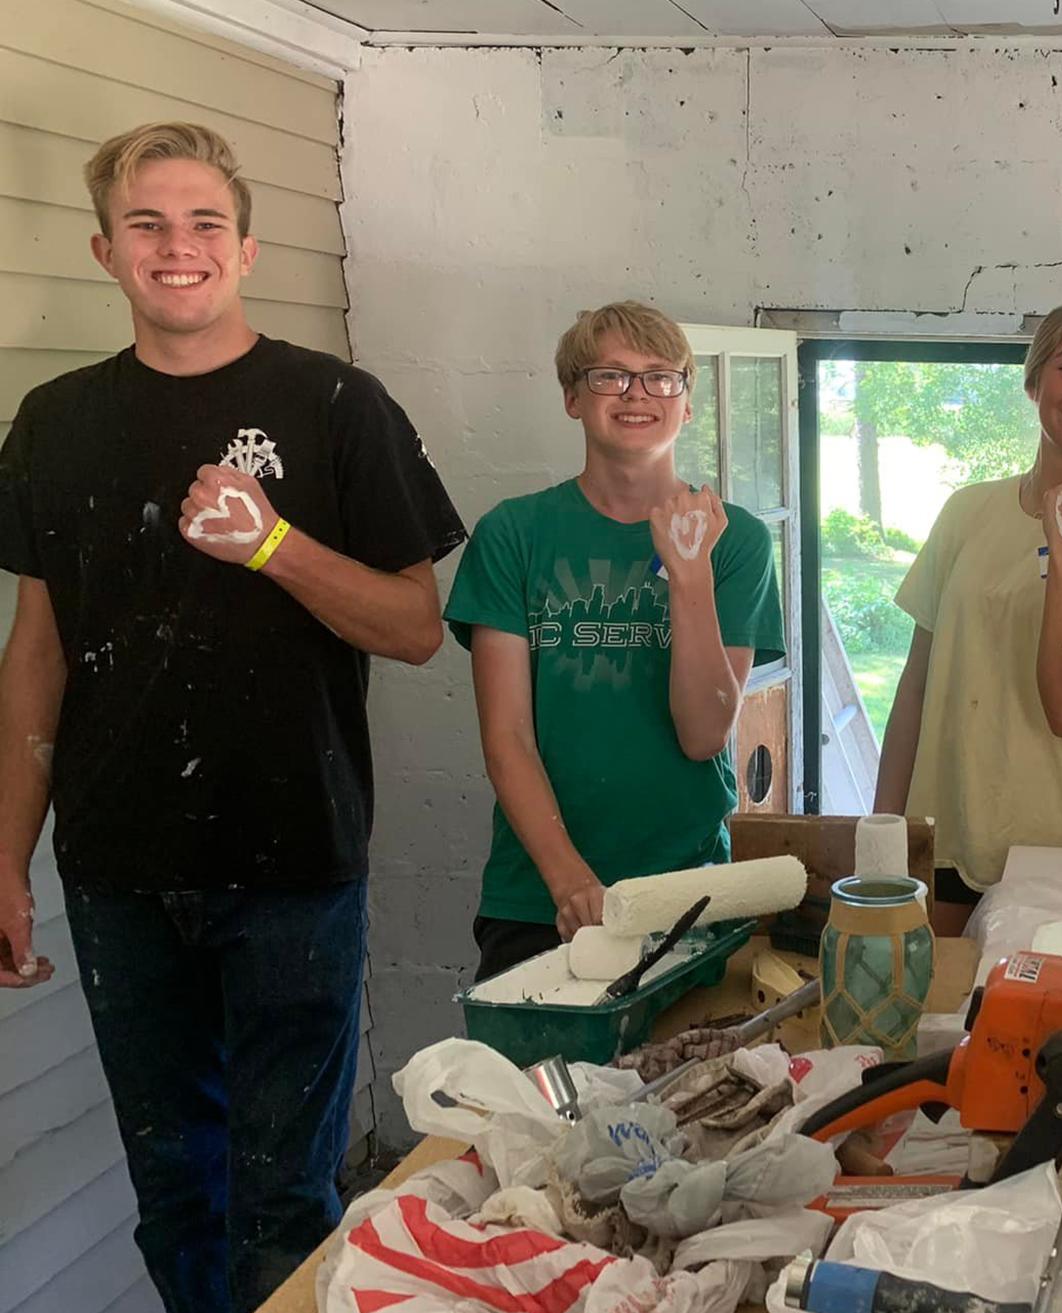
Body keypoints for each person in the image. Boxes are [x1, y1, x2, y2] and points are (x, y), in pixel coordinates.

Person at [0, 122, 464, 1313]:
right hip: (116, 872)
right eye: (148, 224)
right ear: (108, 251)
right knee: (176, 1191)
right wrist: (6, 857)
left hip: (294, 865)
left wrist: (277, 546)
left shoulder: (335, 406)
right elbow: (38, 652)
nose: (178, 246)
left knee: (284, 1198)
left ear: (246, 248)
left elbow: (415, 625)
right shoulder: (54, 423)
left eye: (205, 222)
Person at [446, 301, 785, 980]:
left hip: (684, 895)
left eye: (662, 377)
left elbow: (704, 733)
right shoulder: (514, 534)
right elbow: (507, 736)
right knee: (530, 1088)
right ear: (573, 397)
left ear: (687, 404)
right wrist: (570, 881)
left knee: (688, 1086)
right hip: (539, 895)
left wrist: (689, 574)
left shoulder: (738, 540)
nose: (637, 394)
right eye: (610, 376)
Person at [874, 297, 1062, 933]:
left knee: (1053, 1031)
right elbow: (916, 683)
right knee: (941, 1024)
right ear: (1034, 380)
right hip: (950, 836)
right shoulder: (968, 511)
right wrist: (884, 835)